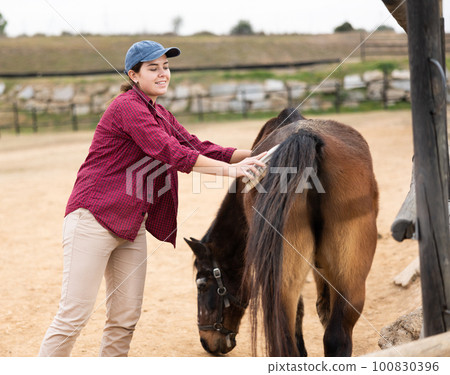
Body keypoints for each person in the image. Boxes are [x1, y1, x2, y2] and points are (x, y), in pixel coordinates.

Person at [38, 40, 266, 357]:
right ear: (134, 75)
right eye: (153, 68)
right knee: (73, 316)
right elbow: (169, 151)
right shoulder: (126, 108)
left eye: (166, 67)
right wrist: (234, 172)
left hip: (132, 227)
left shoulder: (160, 113)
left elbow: (199, 147)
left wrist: (259, 154)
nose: (163, 74)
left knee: (125, 319)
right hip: (93, 219)